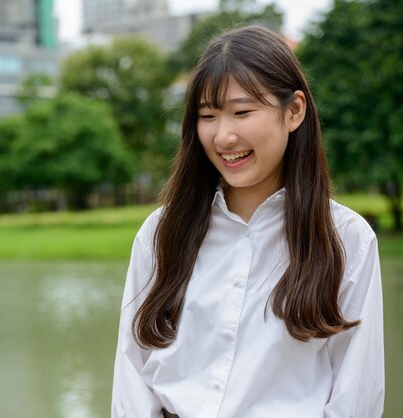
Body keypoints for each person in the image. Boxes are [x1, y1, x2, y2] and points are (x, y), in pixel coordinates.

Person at [111, 26, 384, 418]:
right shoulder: (161, 233)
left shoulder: (346, 239)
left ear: (294, 111)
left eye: (242, 112)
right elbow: (132, 373)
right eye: (208, 116)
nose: (223, 136)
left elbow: (356, 394)